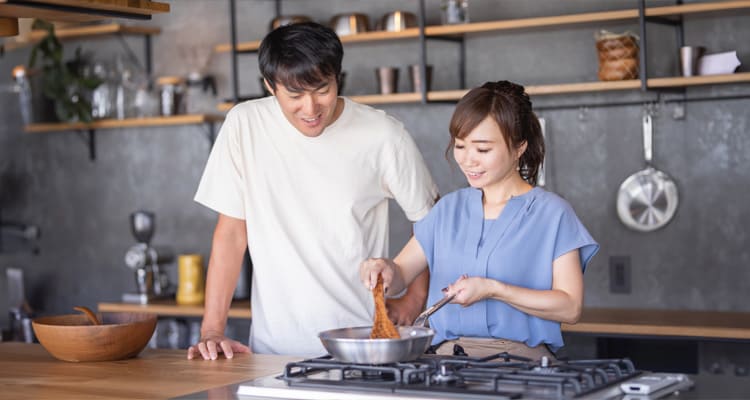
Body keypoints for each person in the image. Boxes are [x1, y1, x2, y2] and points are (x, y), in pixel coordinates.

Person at [187, 22, 438, 360]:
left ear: (338, 77)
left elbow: (433, 223)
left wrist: (413, 298)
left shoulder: (383, 135)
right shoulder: (244, 125)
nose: (311, 108)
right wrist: (212, 329)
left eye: (322, 89)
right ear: (270, 86)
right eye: (294, 95)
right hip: (271, 355)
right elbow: (231, 234)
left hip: (359, 347)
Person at [360, 81, 599, 361]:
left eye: (483, 150)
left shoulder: (553, 214)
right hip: (443, 364)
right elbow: (400, 273)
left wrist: (494, 289)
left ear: (519, 147)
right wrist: (383, 269)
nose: (468, 160)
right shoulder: (448, 209)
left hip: (519, 365)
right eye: (460, 146)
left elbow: (569, 307)